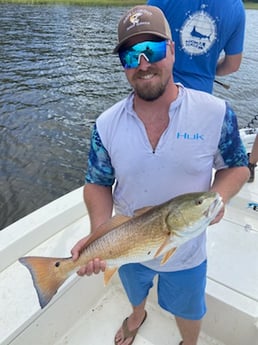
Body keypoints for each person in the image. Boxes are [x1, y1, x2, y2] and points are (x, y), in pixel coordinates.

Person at [71, 5, 249, 345]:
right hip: (126, 242)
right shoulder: (105, 125)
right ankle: (137, 315)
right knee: (134, 290)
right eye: (131, 54)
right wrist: (99, 233)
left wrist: (219, 197)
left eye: (151, 49)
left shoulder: (215, 112)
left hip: (187, 250)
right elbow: (97, 181)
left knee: (189, 310)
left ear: (172, 49)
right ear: (122, 63)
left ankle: (189, 341)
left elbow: (236, 166)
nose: (143, 63)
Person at [147, 0, 245, 94]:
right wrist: (207, 69)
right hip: (202, 97)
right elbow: (233, 65)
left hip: (158, 92)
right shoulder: (235, 6)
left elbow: (143, 48)